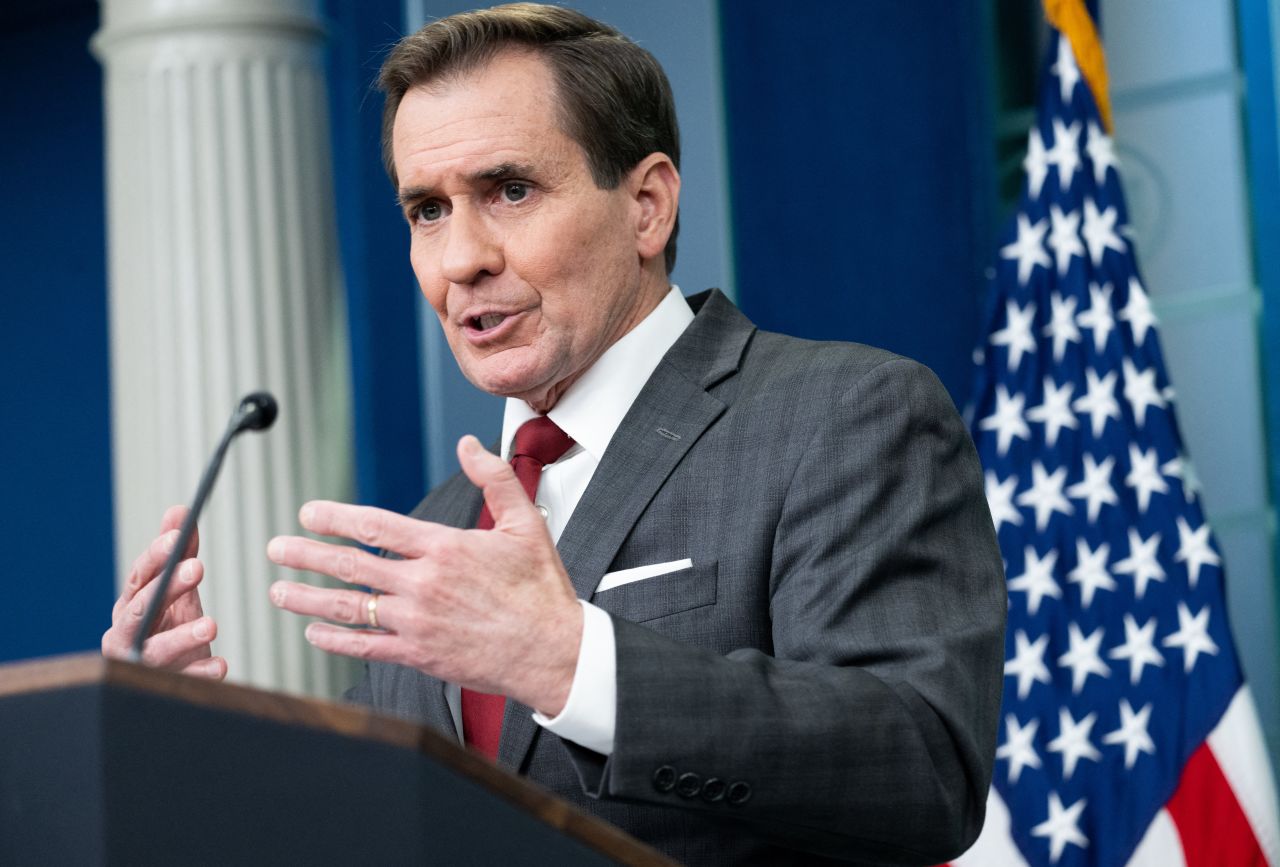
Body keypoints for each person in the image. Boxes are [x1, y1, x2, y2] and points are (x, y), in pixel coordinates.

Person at [102, 4, 1007, 864]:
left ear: (646, 205)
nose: (462, 259)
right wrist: (191, 747)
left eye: (510, 190)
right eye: (428, 210)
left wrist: (574, 662)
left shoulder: (843, 415)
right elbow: (373, 829)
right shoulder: (442, 532)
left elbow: (924, 764)